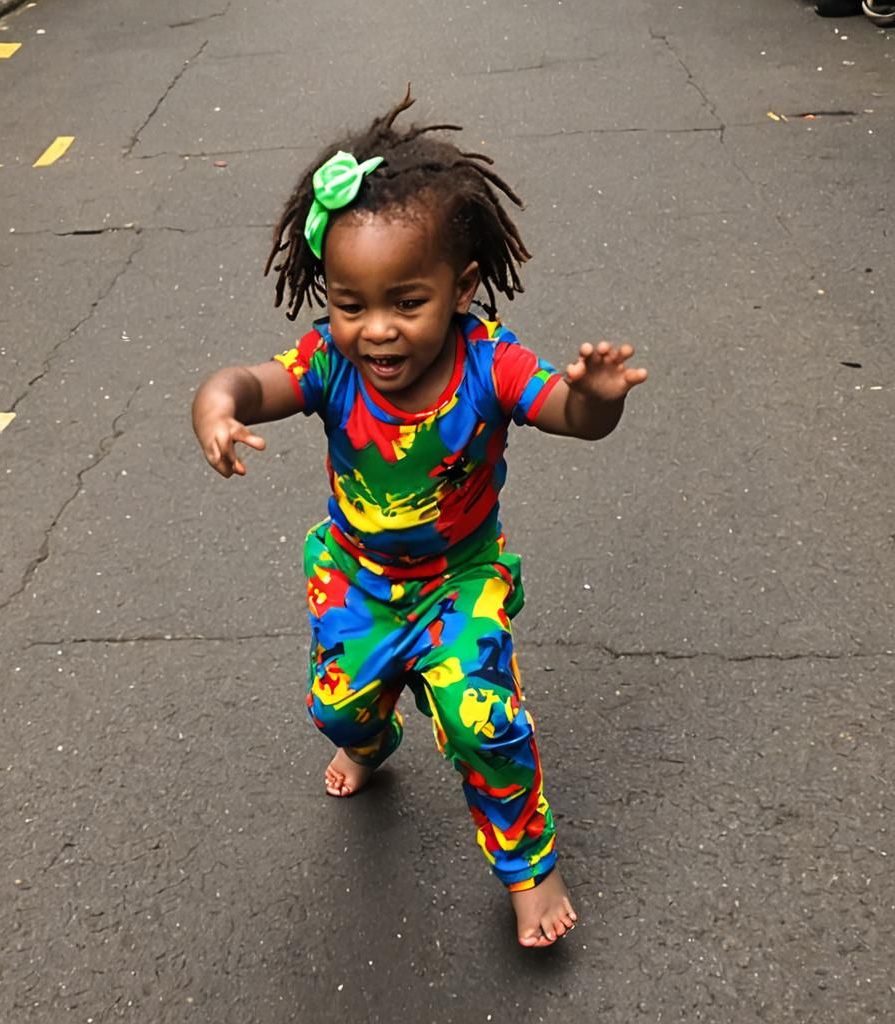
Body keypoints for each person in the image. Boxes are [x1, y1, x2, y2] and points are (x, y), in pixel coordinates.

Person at [192, 90, 647, 948]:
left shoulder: (490, 363)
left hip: (458, 583)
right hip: (357, 580)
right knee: (337, 709)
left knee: (482, 723)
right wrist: (216, 407)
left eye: (406, 302)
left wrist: (596, 399)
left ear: (461, 286)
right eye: (350, 304)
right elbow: (247, 382)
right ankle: (371, 744)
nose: (377, 331)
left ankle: (531, 868)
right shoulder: (329, 364)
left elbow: (569, 415)